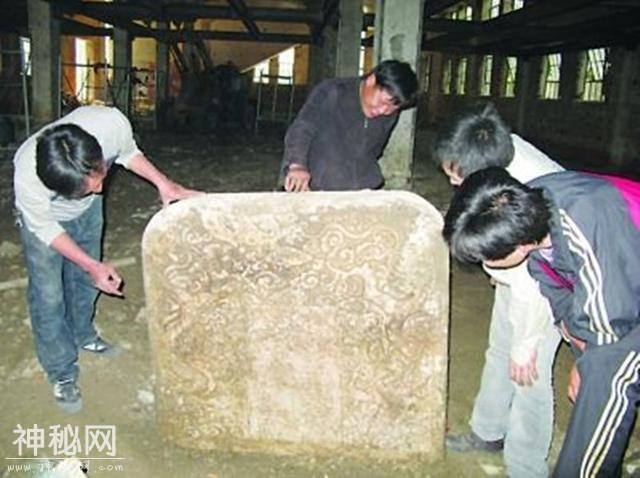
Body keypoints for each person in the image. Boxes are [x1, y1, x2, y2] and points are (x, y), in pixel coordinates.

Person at [443, 167, 640, 477]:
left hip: (625, 282)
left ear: (519, 245)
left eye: (486, 257)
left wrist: (587, 364)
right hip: (622, 280)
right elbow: (558, 289)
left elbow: (612, 330)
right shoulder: (527, 208)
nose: (484, 265)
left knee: (606, 384)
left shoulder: (585, 222)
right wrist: (578, 344)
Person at [13, 105, 200, 413]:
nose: (101, 189)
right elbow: (45, 228)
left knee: (86, 281)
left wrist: (165, 184)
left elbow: (128, 153)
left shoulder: (111, 124)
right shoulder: (27, 176)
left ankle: (83, 334)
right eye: (86, 189)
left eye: (100, 176)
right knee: (49, 295)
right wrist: (92, 265)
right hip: (45, 226)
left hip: (87, 215)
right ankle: (60, 369)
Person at [433, 101, 563, 477]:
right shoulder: (495, 146)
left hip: (551, 279)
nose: (453, 181)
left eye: (457, 175)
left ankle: (526, 468)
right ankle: (488, 432)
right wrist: (499, 269)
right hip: (520, 268)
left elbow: (532, 287)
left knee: (528, 372)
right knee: (500, 348)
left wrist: (527, 343)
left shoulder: (530, 191)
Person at [281, 59, 417, 192]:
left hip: (363, 190)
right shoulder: (333, 92)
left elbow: (377, 150)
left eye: (392, 108)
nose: (383, 110)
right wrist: (297, 165)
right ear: (371, 80)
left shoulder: (389, 115)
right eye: (382, 102)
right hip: (316, 188)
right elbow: (302, 127)